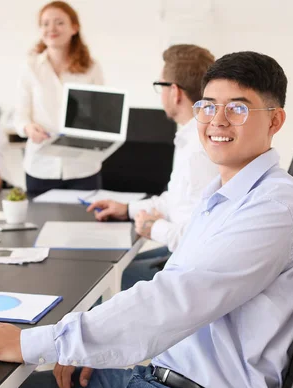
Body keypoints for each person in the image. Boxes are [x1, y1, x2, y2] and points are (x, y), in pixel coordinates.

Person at [0, 52, 293, 388]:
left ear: (275, 121)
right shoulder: (224, 192)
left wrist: (39, 343)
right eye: (209, 105)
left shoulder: (272, 210)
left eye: (238, 108)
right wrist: (89, 348)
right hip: (161, 373)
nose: (218, 120)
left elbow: (173, 300)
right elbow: (172, 288)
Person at [88, 44, 219, 290]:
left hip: (188, 273)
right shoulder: (190, 139)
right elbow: (179, 200)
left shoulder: (199, 153)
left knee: (97, 283)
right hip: (179, 257)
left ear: (175, 92)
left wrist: (154, 227)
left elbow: (201, 244)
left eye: (160, 86)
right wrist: (127, 209)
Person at [14, 1, 104, 195]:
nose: (51, 29)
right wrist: (28, 128)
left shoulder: (91, 68)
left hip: (82, 167)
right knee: (40, 223)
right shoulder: (30, 67)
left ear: (74, 28)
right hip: (41, 166)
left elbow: (100, 114)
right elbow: (20, 115)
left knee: (83, 225)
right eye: (45, 24)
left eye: (59, 22)